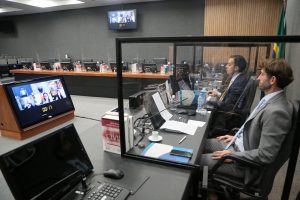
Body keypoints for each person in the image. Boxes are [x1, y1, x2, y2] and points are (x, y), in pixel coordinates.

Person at [201, 59, 294, 182]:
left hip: (243, 163)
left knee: (194, 160)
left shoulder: (277, 111)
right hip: (239, 145)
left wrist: (233, 156)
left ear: (272, 80)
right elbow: (258, 129)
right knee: (201, 143)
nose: (258, 78)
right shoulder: (270, 100)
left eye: (262, 74)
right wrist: (238, 136)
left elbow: (266, 154)